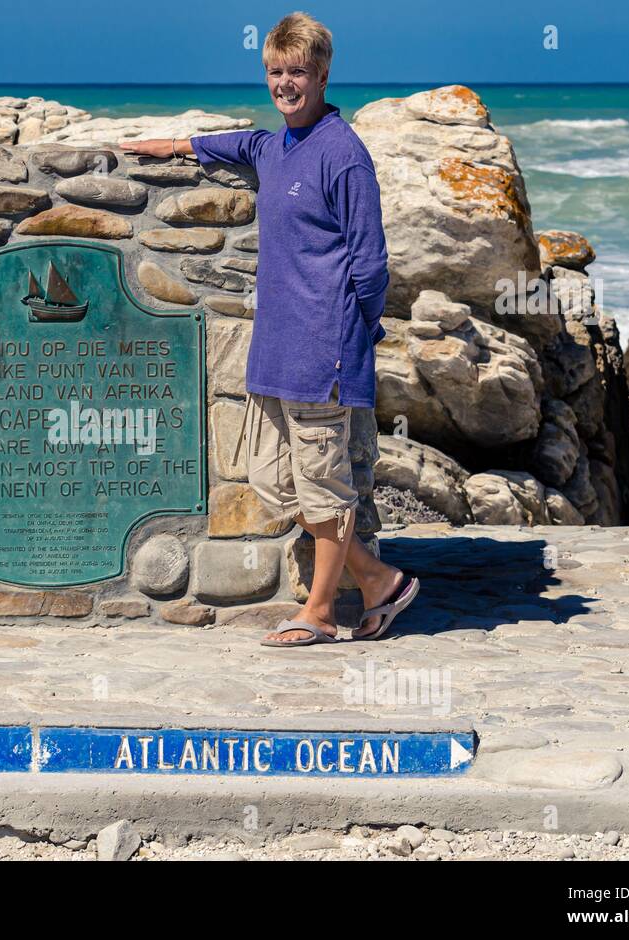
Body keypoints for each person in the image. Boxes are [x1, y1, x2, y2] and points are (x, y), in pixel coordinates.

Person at [120, 12, 418, 644]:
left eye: (298, 72)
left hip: (323, 353)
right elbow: (237, 144)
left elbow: (371, 266)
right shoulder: (275, 146)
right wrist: (173, 147)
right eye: (276, 72)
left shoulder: (345, 156)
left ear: (323, 74)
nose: (286, 84)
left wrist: (352, 338)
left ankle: (318, 613)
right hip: (275, 352)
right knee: (274, 481)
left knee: (322, 485)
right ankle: (377, 580)